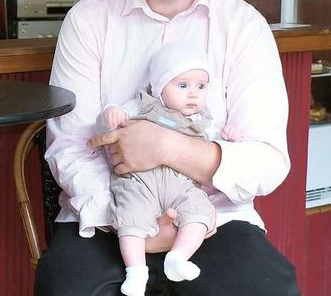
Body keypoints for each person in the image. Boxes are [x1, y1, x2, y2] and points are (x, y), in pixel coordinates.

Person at [37, 0, 300, 294]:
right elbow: (70, 147)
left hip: (216, 220)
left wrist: (166, 146)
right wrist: (130, 219)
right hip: (107, 217)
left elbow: (267, 159)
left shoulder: (244, 27)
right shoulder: (88, 21)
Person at [98, 43, 240, 295]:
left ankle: (178, 257)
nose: (193, 94)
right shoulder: (144, 105)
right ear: (160, 88)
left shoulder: (202, 121)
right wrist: (111, 113)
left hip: (182, 182)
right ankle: (136, 272)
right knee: (131, 217)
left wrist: (227, 137)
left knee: (200, 212)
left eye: (201, 86)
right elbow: (109, 125)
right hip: (139, 181)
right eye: (183, 86)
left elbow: (215, 145)